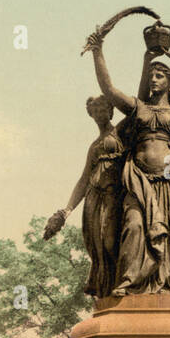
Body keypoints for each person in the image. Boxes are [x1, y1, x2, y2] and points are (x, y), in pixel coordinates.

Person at [87, 27, 170, 295]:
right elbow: (108, 88)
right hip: (139, 179)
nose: (153, 78)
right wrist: (98, 51)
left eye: (159, 75)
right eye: (151, 74)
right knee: (135, 224)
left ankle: (165, 286)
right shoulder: (138, 109)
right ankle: (130, 281)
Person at [43, 94, 125, 298]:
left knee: (110, 241)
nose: (99, 114)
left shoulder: (122, 132)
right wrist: (66, 211)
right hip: (94, 199)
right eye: (94, 111)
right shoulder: (94, 146)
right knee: (98, 247)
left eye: (102, 109)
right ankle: (107, 293)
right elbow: (83, 180)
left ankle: (122, 285)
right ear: (91, 115)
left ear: (110, 111)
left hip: (114, 195)